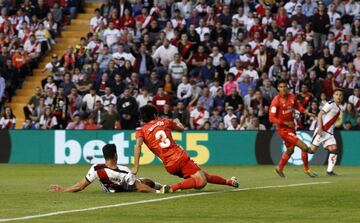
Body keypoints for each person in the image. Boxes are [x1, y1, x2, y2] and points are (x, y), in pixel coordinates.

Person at [132, 104, 239, 193]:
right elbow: (181, 129)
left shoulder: (141, 131)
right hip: (180, 158)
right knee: (201, 182)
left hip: (169, 166)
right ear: (155, 115)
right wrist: (178, 122)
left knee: (202, 174)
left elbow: (138, 146)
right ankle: (172, 188)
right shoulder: (164, 121)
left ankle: (228, 182)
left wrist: (136, 166)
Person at [50, 144, 162, 193]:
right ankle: (163, 187)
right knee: (148, 182)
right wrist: (157, 192)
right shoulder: (124, 171)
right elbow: (140, 187)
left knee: (142, 182)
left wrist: (64, 190)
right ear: (115, 155)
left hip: (109, 190)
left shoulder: (96, 168)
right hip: (126, 188)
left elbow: (80, 186)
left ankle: (163, 188)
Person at [269, 80, 317, 178]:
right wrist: (285, 122)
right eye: (281, 87)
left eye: (285, 86)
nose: (283, 88)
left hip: (291, 129)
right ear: (278, 88)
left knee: (290, 150)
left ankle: (279, 169)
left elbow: (298, 106)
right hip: (283, 130)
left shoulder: (292, 97)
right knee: (304, 147)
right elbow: (271, 118)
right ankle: (307, 169)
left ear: (288, 87)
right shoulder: (276, 101)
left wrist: (307, 113)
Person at [309, 89, 343, 176]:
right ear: (333, 96)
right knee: (311, 151)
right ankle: (298, 146)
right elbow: (320, 114)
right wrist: (320, 127)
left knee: (334, 150)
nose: (338, 96)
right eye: (337, 94)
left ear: (342, 97)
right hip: (322, 131)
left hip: (329, 134)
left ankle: (329, 171)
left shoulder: (338, 108)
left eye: (340, 95)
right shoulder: (330, 104)